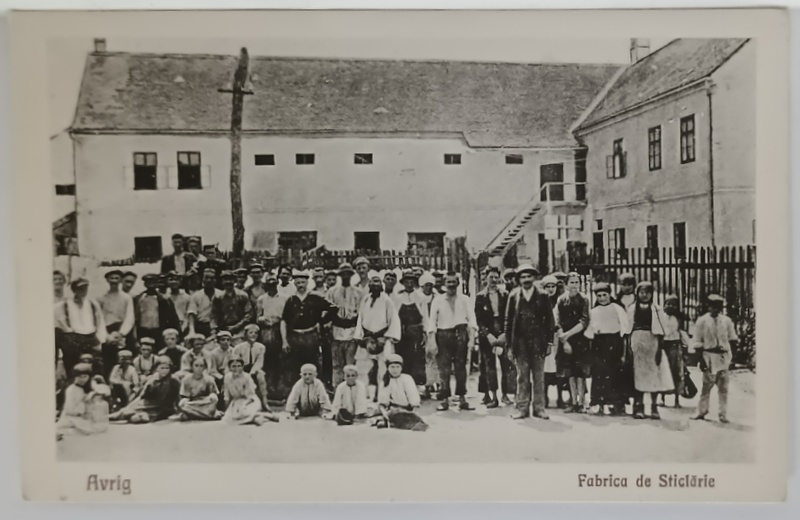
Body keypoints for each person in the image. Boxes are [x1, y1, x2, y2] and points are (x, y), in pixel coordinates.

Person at [505, 264, 556, 420]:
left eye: (529, 276)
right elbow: (508, 321)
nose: (526, 280)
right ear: (519, 279)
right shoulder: (514, 296)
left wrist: (549, 343)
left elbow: (550, 321)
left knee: (539, 376)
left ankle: (539, 408)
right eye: (523, 277)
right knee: (522, 376)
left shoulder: (542, 295)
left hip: (538, 343)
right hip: (520, 343)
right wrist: (509, 346)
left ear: (534, 278)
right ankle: (522, 408)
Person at [427, 272, 478, 412]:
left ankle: (462, 398)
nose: (451, 285)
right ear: (444, 283)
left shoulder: (465, 299)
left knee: (461, 368)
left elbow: (472, 320)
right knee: (444, 369)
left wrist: (472, 339)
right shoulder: (437, 300)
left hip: (460, 334)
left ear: (458, 283)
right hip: (443, 335)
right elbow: (432, 322)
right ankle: (444, 400)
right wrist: (432, 341)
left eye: (453, 282)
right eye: (448, 282)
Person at [627, 281, 673, 420]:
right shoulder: (632, 309)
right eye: (641, 292)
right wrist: (629, 347)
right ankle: (638, 406)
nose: (644, 295)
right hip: (637, 342)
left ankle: (653, 407)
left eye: (647, 292)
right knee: (638, 375)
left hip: (652, 342)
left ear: (652, 294)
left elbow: (662, 331)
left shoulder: (657, 309)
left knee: (654, 375)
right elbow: (628, 330)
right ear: (637, 293)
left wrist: (659, 348)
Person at [281, 270, 337, 379]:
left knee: (313, 365)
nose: (300, 285)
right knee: (295, 366)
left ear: (307, 283)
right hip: (295, 337)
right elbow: (284, 320)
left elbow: (333, 308)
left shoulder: (315, 297)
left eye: (303, 282)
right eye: (298, 283)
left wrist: (321, 321)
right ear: (294, 284)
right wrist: (285, 341)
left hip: (311, 336)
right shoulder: (291, 300)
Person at [691, 294, 738, 423]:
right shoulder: (702, 321)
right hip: (709, 356)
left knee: (723, 387)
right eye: (713, 306)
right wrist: (700, 359)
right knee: (706, 386)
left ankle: (722, 414)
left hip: (723, 356)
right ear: (708, 306)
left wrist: (732, 359)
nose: (715, 310)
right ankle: (702, 411)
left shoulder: (726, 321)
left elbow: (732, 339)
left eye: (718, 307)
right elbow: (697, 340)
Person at [584, 282, 630, 416]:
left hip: (615, 343)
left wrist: (623, 348)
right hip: (599, 344)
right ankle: (599, 404)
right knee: (599, 374)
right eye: (599, 296)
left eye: (605, 295)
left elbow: (625, 327)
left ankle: (617, 404)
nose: (602, 298)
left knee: (615, 373)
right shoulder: (593, 311)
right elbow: (589, 331)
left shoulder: (617, 308)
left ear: (610, 295)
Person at [354, 272, 401, 400]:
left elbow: (394, 321)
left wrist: (385, 338)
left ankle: (383, 397)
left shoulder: (387, 301)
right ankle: (363, 397)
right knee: (362, 368)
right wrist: (360, 337)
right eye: (372, 284)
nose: (375, 286)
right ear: (369, 285)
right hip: (367, 337)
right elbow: (360, 318)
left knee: (384, 369)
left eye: (377, 284)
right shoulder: (365, 299)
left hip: (383, 337)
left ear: (381, 286)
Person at [54, 278, 107, 379]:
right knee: (74, 369)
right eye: (80, 289)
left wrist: (100, 340)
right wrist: (67, 335)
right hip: (74, 340)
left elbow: (100, 322)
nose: (83, 291)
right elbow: (58, 323)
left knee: (94, 367)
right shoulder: (64, 305)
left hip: (90, 339)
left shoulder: (92, 304)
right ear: (74, 290)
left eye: (85, 288)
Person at [554, 272, 591, 414]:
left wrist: (567, 335)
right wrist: (564, 340)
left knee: (581, 373)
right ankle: (573, 402)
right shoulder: (561, 300)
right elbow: (557, 321)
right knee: (570, 373)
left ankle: (581, 402)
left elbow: (584, 320)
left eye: (577, 282)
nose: (574, 285)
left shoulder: (584, 300)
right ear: (566, 284)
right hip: (566, 342)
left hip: (580, 340)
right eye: (572, 282)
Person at [474, 266, 511, 408]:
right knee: (489, 366)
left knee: (505, 365)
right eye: (491, 277)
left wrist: (504, 334)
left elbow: (509, 316)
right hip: (487, 334)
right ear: (486, 278)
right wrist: (488, 335)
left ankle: (505, 394)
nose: (494, 280)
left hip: (502, 332)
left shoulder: (505, 295)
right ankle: (493, 396)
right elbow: (479, 320)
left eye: (496, 277)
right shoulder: (480, 297)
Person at [110, 356, 180, 424]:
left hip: (162, 407)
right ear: (157, 368)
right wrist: (128, 407)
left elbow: (179, 395)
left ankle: (138, 416)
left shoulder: (173, 379)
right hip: (149, 403)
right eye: (162, 368)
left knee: (138, 418)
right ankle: (115, 415)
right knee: (125, 412)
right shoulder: (152, 379)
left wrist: (179, 409)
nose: (164, 370)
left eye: (167, 368)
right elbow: (142, 396)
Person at [391, 270, 428, 394]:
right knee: (403, 358)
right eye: (406, 282)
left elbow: (425, 317)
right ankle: (404, 388)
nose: (409, 284)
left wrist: (425, 333)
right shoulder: (398, 298)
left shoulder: (420, 297)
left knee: (417, 359)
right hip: (403, 333)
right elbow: (394, 317)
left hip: (416, 332)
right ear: (403, 283)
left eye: (411, 282)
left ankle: (418, 387)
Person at [326, 263, 361, 387]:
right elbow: (327, 312)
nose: (345, 276)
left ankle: (351, 388)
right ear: (339, 276)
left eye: (348, 274)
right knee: (337, 364)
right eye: (343, 274)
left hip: (351, 332)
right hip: (337, 331)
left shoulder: (358, 292)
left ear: (351, 275)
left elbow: (361, 314)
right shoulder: (332, 291)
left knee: (350, 364)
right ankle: (337, 390)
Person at [255, 271, 289, 400]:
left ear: (277, 283)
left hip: (280, 329)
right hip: (266, 331)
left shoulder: (285, 298)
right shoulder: (261, 299)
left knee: (281, 359)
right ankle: (268, 389)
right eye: (269, 283)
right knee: (267, 360)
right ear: (265, 285)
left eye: (274, 282)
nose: (271, 285)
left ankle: (280, 388)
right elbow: (257, 317)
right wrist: (262, 319)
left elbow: (287, 318)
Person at [374, 354, 427, 431]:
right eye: (392, 367)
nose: (395, 370)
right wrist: (384, 414)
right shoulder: (385, 381)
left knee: (416, 423)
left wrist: (414, 412)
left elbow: (413, 398)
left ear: (401, 367)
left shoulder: (407, 378)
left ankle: (393, 423)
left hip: (408, 410)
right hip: (393, 410)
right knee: (393, 416)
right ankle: (389, 421)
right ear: (387, 368)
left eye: (397, 367)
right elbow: (382, 403)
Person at [57, 363, 110, 437]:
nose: (83, 379)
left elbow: (106, 391)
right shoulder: (71, 390)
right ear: (75, 377)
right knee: (68, 427)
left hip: (86, 417)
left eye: (85, 376)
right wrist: (84, 404)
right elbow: (70, 410)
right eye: (80, 377)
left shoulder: (89, 386)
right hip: (73, 416)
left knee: (101, 404)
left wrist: (92, 395)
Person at [222, 356, 279, 425]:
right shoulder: (227, 377)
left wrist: (243, 405)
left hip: (250, 401)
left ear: (243, 367)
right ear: (229, 368)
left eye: (239, 366)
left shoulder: (246, 377)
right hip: (236, 401)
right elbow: (227, 395)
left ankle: (266, 416)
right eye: (233, 366)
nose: (236, 368)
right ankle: (261, 417)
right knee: (228, 418)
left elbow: (250, 396)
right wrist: (227, 408)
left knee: (244, 412)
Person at [97, 270, 136, 369]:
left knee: (123, 358)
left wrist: (121, 333)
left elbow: (130, 317)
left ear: (121, 280)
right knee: (108, 360)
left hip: (122, 331)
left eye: (117, 278)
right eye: (112, 278)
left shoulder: (127, 297)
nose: (114, 281)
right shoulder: (101, 298)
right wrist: (106, 336)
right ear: (107, 280)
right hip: (107, 331)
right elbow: (99, 318)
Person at [133, 273, 181, 350]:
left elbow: (173, 319)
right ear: (145, 284)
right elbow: (134, 318)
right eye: (148, 283)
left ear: (157, 283)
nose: (151, 285)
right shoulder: (138, 299)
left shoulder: (164, 300)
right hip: (142, 331)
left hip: (158, 332)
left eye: (153, 282)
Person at [540, 275, 565, 408]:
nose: (550, 289)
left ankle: (560, 398)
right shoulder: (540, 301)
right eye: (547, 287)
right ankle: (544, 397)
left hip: (557, 336)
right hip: (544, 338)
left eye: (553, 286)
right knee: (545, 367)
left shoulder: (560, 301)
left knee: (558, 366)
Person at [233, 324, 270, 411]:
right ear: (246, 334)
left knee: (260, 375)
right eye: (251, 333)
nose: (253, 335)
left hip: (253, 369)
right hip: (241, 369)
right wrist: (243, 373)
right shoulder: (238, 348)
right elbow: (236, 362)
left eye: (256, 333)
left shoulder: (261, 347)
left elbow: (259, 362)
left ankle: (265, 402)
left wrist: (252, 373)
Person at [661, 295, 688, 408]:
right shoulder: (661, 317)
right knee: (663, 371)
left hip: (674, 345)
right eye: (668, 304)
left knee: (676, 371)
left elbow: (682, 333)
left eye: (673, 304)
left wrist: (685, 347)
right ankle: (662, 398)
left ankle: (677, 399)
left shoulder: (678, 319)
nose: (670, 306)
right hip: (663, 345)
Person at [417, 272, 440, 398]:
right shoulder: (419, 297)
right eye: (426, 285)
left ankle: (437, 383)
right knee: (425, 358)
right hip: (424, 330)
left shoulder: (437, 297)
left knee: (435, 357)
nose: (428, 288)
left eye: (430, 285)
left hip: (436, 329)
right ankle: (427, 384)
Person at [177, 357, 222, 421]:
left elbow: (213, 394)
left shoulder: (209, 379)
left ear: (204, 368)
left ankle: (193, 415)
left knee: (214, 399)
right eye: (196, 365)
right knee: (182, 404)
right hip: (193, 403)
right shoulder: (186, 379)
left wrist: (212, 397)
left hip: (205, 402)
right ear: (192, 367)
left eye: (201, 366)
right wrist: (185, 401)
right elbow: (185, 396)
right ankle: (208, 415)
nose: (199, 368)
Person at [213, 270, 253, 338]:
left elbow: (249, 314)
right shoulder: (218, 297)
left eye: (231, 279)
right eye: (226, 279)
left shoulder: (242, 295)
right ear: (222, 281)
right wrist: (215, 329)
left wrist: (237, 326)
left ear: (235, 281)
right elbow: (214, 315)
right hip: (224, 328)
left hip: (240, 329)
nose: (228, 282)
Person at [188, 268, 223, 338]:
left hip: (218, 327)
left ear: (216, 280)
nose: (209, 280)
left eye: (212, 278)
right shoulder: (195, 296)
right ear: (202, 279)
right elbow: (191, 314)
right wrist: (192, 331)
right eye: (206, 278)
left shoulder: (221, 294)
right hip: (201, 327)